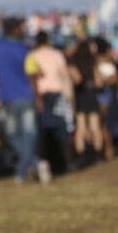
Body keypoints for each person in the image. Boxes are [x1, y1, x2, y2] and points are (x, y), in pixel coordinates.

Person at [0, 17, 42, 184]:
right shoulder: (25, 48)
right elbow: (33, 75)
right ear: (15, 29)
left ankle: (23, 170)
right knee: (27, 134)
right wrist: (38, 97)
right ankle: (33, 164)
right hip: (24, 97)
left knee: (13, 134)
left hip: (8, 97)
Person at [31, 31, 73, 174]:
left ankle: (43, 164)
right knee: (61, 131)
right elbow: (64, 76)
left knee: (41, 132)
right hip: (56, 95)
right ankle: (65, 163)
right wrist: (69, 98)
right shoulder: (57, 55)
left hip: (39, 97)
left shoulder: (32, 55)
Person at [69, 38, 103, 165]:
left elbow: (76, 79)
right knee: (95, 125)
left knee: (81, 126)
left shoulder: (74, 61)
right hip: (91, 93)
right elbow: (99, 82)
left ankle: (81, 154)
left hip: (80, 94)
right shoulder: (93, 61)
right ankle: (98, 153)